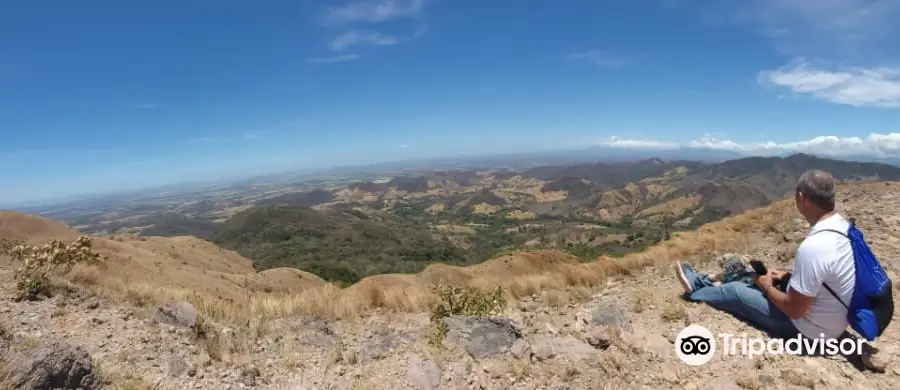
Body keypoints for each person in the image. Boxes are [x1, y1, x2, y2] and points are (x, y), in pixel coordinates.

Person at [674, 169, 855, 342]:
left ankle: (696, 291)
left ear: (801, 198)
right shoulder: (844, 228)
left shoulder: (814, 246)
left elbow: (795, 310)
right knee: (756, 275)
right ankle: (705, 281)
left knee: (735, 292)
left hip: (809, 330)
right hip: (834, 321)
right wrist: (786, 276)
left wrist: (767, 287)